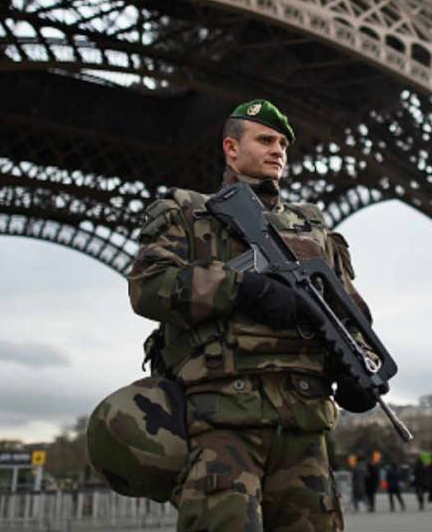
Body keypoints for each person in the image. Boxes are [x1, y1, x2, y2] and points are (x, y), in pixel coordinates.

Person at [128, 99, 376, 531]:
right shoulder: (186, 213)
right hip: (223, 419)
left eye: (282, 142)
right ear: (230, 147)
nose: (277, 149)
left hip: (304, 421)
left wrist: (357, 365)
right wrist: (244, 287)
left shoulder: (313, 228)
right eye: (264, 139)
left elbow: (350, 308)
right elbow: (149, 286)